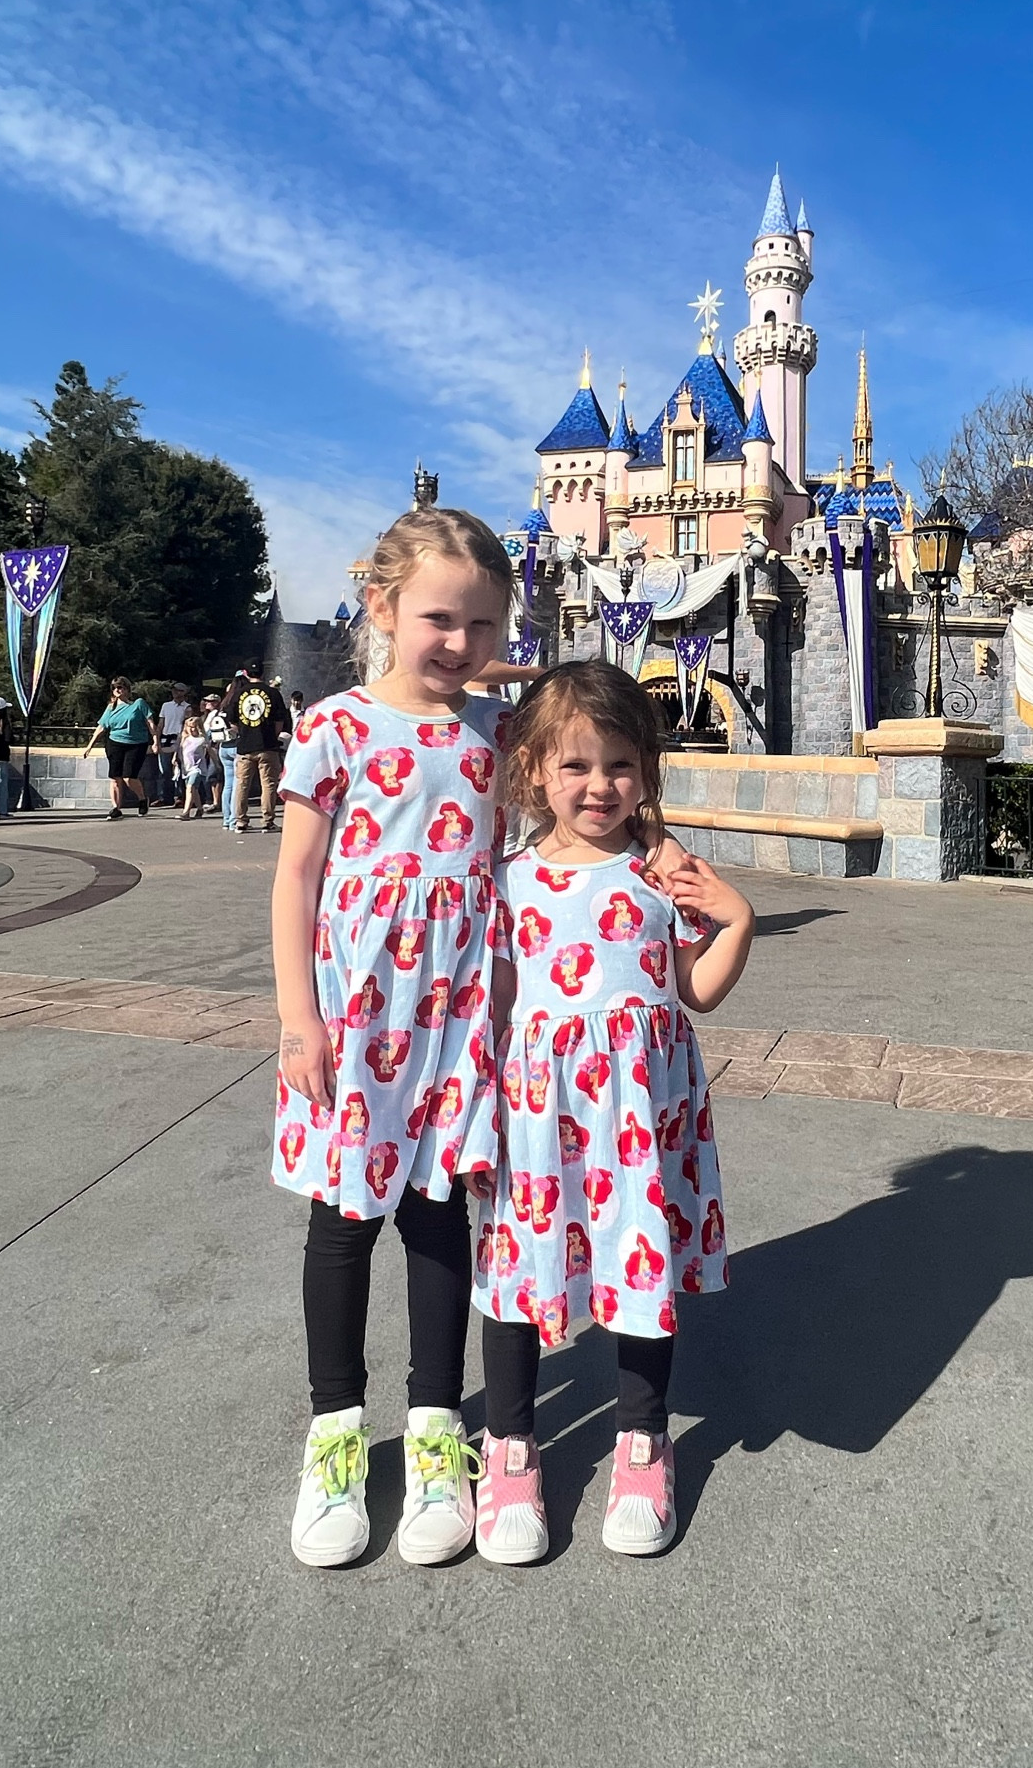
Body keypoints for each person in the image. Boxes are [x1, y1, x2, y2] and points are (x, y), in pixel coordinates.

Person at [271, 506, 516, 1571]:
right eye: (438, 618)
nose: (459, 644)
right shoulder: (333, 727)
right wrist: (298, 1018)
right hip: (357, 1015)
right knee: (341, 1220)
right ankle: (333, 1430)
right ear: (380, 608)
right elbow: (296, 878)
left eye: (483, 624)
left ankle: (433, 1430)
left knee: (434, 1217)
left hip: (459, 1016)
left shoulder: (500, 734)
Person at [471, 661, 754, 1566]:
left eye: (621, 766)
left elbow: (694, 989)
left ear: (648, 769)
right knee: (519, 1263)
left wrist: (736, 920)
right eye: (576, 767)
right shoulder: (508, 878)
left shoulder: (658, 872)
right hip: (538, 1112)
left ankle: (642, 1438)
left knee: (640, 1261)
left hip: (638, 1111)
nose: (600, 787)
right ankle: (510, 1443)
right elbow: (501, 1006)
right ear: (534, 773)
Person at [225, 658, 291, 835]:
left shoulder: (239, 693)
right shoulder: (273, 693)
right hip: (268, 745)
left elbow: (231, 720)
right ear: (263, 673)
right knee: (268, 784)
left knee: (242, 784)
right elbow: (280, 720)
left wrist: (244, 731)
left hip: (245, 746)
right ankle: (267, 821)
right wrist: (273, 736)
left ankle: (240, 821)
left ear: (245, 673)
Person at [84, 678, 157, 820]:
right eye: (115, 687)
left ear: (128, 690)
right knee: (115, 777)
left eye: (121, 687)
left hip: (136, 744)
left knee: (129, 777)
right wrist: (89, 746)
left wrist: (155, 741)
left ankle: (142, 799)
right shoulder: (111, 707)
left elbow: (150, 723)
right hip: (115, 743)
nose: (118, 690)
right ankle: (116, 808)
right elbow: (102, 727)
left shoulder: (138, 704)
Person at [155, 681, 193, 806]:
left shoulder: (187, 707)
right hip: (166, 738)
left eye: (179, 690)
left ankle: (179, 796)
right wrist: (157, 739)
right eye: (174, 690)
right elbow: (161, 723)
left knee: (179, 769)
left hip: (179, 738)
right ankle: (164, 796)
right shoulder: (166, 706)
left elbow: (187, 723)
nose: (176, 693)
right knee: (164, 769)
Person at [205, 693, 238, 831]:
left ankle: (226, 819)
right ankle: (234, 819)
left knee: (228, 784)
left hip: (222, 747)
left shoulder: (217, 713)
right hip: (236, 746)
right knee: (238, 784)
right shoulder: (235, 710)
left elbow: (208, 733)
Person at [177, 714, 214, 819]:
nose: (192, 729)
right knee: (194, 790)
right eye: (190, 727)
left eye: (194, 727)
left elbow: (210, 752)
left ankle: (186, 812)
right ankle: (200, 808)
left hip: (197, 768)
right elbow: (178, 750)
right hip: (186, 768)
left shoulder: (202, 739)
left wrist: (216, 764)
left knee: (190, 787)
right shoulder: (183, 738)